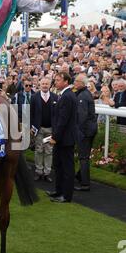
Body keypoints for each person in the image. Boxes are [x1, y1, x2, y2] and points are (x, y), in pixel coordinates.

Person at [47, 72, 77, 203]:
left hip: (65, 139)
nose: (56, 82)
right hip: (62, 138)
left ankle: (66, 195)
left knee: (66, 168)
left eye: (58, 80)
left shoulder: (67, 96)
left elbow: (62, 120)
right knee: (58, 165)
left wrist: (55, 137)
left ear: (66, 81)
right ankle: (59, 191)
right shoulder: (64, 95)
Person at [30, 77, 58, 182]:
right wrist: (31, 127)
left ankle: (47, 173)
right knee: (39, 150)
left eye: (47, 84)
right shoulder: (34, 97)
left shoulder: (55, 97)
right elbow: (31, 113)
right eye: (43, 84)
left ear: (50, 85)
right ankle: (38, 171)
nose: (45, 85)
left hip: (50, 129)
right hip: (39, 129)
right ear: (40, 85)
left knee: (49, 151)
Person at [74, 74, 98, 191]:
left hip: (86, 130)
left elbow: (82, 116)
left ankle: (85, 184)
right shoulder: (84, 93)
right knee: (85, 155)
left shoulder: (83, 95)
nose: (74, 83)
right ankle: (80, 176)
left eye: (76, 81)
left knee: (83, 157)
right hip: (90, 129)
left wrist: (79, 131)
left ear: (82, 83)